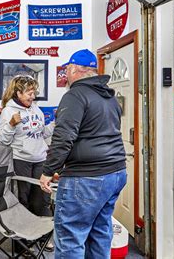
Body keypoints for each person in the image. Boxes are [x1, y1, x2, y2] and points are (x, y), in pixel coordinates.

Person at [39, 49, 127, 258]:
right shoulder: (108, 96)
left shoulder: (75, 95)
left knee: (71, 238)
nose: (66, 75)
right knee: (100, 232)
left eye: (67, 69)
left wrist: (49, 171)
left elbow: (63, 137)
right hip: (115, 173)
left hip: (88, 179)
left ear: (75, 70)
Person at [0, 75, 54, 253]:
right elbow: (2, 140)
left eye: (34, 93)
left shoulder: (35, 108)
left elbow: (42, 133)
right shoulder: (8, 111)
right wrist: (11, 124)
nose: (33, 97)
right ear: (18, 93)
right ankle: (22, 242)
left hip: (40, 159)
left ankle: (43, 236)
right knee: (22, 200)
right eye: (29, 93)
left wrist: (56, 123)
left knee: (42, 200)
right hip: (20, 160)